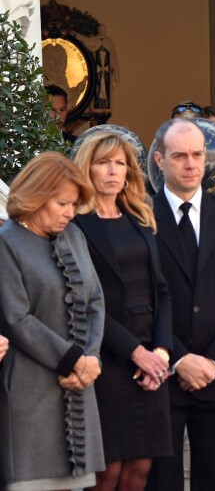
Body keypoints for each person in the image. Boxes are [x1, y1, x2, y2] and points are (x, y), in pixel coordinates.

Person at [146, 118, 215, 491]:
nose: (191, 164)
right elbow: (139, 300)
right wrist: (179, 359)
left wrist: (211, 361)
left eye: (197, 155)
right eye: (180, 156)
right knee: (161, 482)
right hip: (161, 375)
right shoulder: (141, 219)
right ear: (160, 160)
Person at [72, 131, 173, 491]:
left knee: (139, 471)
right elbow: (83, 302)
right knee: (106, 473)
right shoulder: (75, 226)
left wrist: (160, 353)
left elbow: (161, 289)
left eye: (120, 163)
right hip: (107, 359)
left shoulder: (140, 218)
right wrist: (136, 354)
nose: (113, 171)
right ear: (88, 169)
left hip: (151, 358)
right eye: (103, 163)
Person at [0, 152, 105, 490]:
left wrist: (91, 358)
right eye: (62, 203)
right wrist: (73, 360)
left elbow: (96, 302)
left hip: (79, 385)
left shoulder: (75, 237)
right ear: (36, 197)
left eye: (74, 204)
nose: (70, 213)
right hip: (31, 390)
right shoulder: (6, 243)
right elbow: (17, 317)